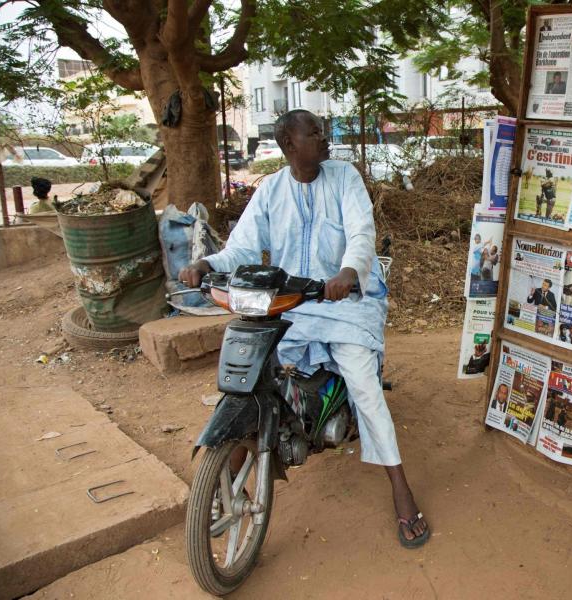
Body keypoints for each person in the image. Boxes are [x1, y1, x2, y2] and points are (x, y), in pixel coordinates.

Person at [178, 109, 430, 548]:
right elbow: (240, 247)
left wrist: (350, 271)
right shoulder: (272, 189)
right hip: (289, 304)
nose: (323, 136)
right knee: (257, 376)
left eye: (321, 129)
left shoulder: (344, 177)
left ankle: (400, 488)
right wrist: (206, 264)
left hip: (345, 303)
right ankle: (225, 475)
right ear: (289, 146)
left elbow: (360, 233)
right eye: (313, 132)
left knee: (365, 388)